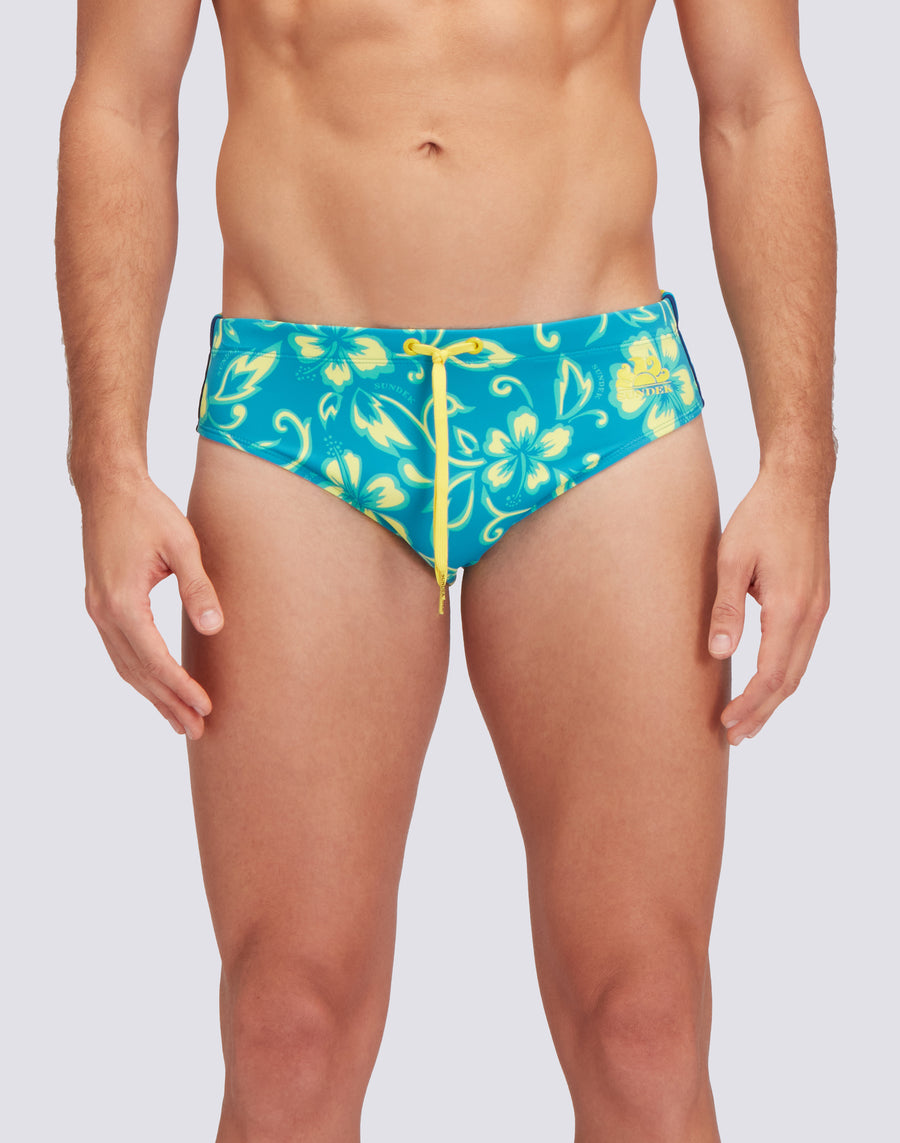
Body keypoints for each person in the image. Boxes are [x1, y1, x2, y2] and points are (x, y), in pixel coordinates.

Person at [55, 0, 836, 1139]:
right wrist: (106, 465)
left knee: (647, 1022)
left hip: (595, 394)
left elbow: (757, 100)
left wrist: (800, 463)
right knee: (287, 1027)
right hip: (301, 400)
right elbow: (122, 104)